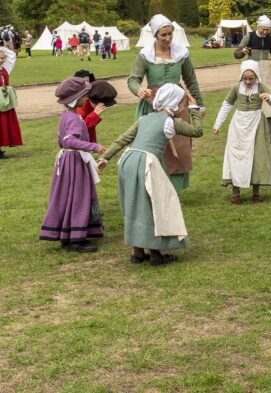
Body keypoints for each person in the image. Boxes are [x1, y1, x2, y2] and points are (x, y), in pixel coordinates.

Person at [98, 84, 203, 266]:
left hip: (128, 160)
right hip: (146, 163)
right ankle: (155, 254)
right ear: (175, 103)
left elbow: (123, 138)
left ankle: (138, 253)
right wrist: (194, 109)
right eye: (182, 103)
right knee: (153, 205)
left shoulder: (144, 118)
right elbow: (197, 131)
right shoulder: (171, 122)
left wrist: (105, 158)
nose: (183, 106)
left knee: (134, 205)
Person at [127, 14, 204, 193]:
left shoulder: (181, 53)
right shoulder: (145, 55)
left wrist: (199, 105)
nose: (168, 38)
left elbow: (191, 81)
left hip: (179, 104)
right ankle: (152, 187)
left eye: (170, 34)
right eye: (163, 35)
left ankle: (174, 190)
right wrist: (139, 90)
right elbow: (133, 79)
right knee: (154, 146)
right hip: (153, 103)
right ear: (155, 34)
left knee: (179, 144)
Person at [39, 77, 106, 253]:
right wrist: (94, 147)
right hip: (74, 163)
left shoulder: (66, 116)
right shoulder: (74, 119)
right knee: (79, 197)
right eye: (85, 95)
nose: (87, 98)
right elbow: (69, 141)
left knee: (67, 197)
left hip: (67, 162)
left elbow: (60, 139)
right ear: (77, 98)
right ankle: (76, 239)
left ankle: (67, 236)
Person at [213, 60, 271, 204]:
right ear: (241, 77)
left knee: (257, 155)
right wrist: (218, 124)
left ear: (256, 77)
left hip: (256, 124)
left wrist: (269, 98)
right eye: (245, 78)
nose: (248, 81)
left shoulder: (261, 86)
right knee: (236, 156)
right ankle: (235, 192)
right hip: (238, 125)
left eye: (251, 78)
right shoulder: (236, 88)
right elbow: (226, 105)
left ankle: (256, 192)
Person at [234, 15, 271, 142]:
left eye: (267, 30)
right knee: (250, 98)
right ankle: (249, 132)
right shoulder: (249, 36)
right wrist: (243, 51)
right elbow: (236, 54)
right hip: (251, 69)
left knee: (270, 96)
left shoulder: (269, 39)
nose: (265, 32)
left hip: (266, 70)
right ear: (258, 27)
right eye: (263, 29)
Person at [74, 70, 117, 144]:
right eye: (84, 81)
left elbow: (90, 127)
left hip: (88, 144)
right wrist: (94, 115)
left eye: (88, 81)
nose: (87, 84)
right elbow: (80, 129)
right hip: (80, 145)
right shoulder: (79, 106)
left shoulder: (90, 101)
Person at [0, 45, 23, 159]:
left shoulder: (6, 68)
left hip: (5, 100)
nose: (1, 60)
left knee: (4, 123)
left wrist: (2, 49)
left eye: (2, 58)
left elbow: (12, 55)